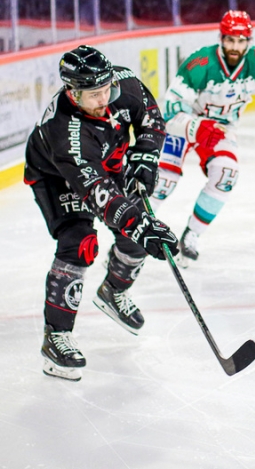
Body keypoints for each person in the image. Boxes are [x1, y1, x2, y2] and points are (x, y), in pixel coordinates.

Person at [24, 45, 180, 382]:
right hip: (56, 176)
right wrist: (138, 224)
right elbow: (99, 194)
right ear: (73, 92)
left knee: (135, 234)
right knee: (79, 243)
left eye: (107, 89)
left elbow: (151, 117)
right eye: (95, 94)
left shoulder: (123, 82)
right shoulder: (66, 133)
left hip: (106, 161)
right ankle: (56, 337)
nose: (105, 98)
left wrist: (146, 155)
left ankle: (114, 290)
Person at [150, 10, 255, 267]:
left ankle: (192, 235)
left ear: (249, 41)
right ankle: (129, 240)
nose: (235, 47)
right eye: (230, 40)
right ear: (221, 38)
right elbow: (171, 111)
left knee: (226, 175)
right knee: (162, 181)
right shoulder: (200, 63)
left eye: (240, 41)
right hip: (186, 124)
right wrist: (195, 126)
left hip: (221, 128)